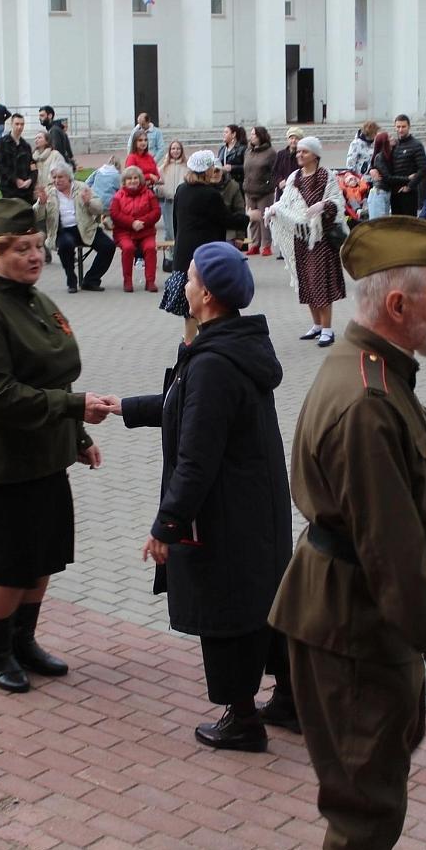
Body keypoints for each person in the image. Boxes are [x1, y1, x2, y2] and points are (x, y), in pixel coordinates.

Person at [270, 215, 426, 850]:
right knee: (365, 816)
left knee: (372, 792)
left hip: (358, 620)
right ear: (397, 304)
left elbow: (413, 484)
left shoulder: (378, 370)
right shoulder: (368, 398)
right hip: (355, 627)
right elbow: (396, 557)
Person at [122, 242, 294, 751]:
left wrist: (166, 526)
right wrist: (124, 408)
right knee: (266, 603)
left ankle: (242, 719)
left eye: (190, 277)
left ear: (209, 296)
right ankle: (291, 699)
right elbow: (184, 405)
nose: (184, 285)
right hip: (253, 508)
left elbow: (196, 458)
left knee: (226, 612)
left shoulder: (215, 361)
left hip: (226, 515)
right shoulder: (231, 345)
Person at [0, 197, 118, 692]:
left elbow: (57, 377)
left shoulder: (38, 301)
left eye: (37, 246)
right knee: (10, 561)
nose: (33, 256)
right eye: (21, 249)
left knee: (44, 554)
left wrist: (78, 435)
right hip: (4, 456)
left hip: (46, 451)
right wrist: (73, 410)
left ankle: (25, 641)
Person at [160, 151, 250, 343]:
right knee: (208, 305)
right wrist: (249, 217)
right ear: (206, 170)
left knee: (190, 311)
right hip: (204, 258)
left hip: (184, 255)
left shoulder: (182, 190)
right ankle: (202, 345)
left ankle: (188, 345)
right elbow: (226, 219)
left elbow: (176, 223)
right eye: (212, 168)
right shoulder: (210, 194)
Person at [268, 137, 346, 348]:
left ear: (315, 155)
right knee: (306, 282)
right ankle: (317, 325)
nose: (299, 155)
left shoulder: (325, 176)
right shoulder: (295, 177)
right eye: (299, 151)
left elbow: (338, 202)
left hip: (321, 239)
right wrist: (275, 210)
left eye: (305, 152)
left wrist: (322, 205)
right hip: (301, 238)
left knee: (320, 282)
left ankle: (328, 329)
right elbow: (285, 203)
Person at [35, 161, 115, 294]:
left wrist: (89, 202)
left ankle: (90, 280)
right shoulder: (49, 193)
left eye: (60, 177)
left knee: (109, 246)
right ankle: (71, 280)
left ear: (69, 177)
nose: (57, 180)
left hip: (86, 228)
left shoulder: (82, 187)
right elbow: (37, 216)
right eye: (54, 177)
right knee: (65, 245)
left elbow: (99, 208)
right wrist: (41, 203)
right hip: (62, 231)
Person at [109, 165, 161, 293]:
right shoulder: (118, 196)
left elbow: (156, 212)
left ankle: (150, 281)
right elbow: (114, 214)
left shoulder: (149, 194)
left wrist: (142, 222)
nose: (133, 181)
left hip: (146, 231)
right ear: (124, 181)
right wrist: (132, 223)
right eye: (129, 179)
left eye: (135, 178)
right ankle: (127, 281)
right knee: (128, 248)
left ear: (140, 179)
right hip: (124, 232)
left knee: (150, 248)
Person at [384, 116, 426, 217]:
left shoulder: (416, 145)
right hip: (394, 193)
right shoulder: (394, 145)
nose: (400, 130)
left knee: (409, 225)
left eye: (403, 127)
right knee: (396, 224)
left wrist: (409, 186)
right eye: (398, 127)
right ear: (395, 127)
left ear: (409, 127)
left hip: (409, 194)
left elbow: (424, 168)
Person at [242, 127, 277, 256]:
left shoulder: (270, 152)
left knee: (265, 218)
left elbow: (275, 171)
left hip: (264, 191)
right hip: (250, 189)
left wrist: (270, 184)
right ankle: (255, 244)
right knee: (252, 219)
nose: (251, 137)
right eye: (251, 135)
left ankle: (266, 245)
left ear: (261, 136)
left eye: (254, 135)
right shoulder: (248, 151)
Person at [0, 114, 36, 203]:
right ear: (11, 124)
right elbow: (0, 165)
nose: (19, 127)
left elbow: (32, 166)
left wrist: (30, 180)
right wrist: (15, 179)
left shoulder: (26, 146)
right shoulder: (1, 143)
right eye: (17, 124)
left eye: (22, 124)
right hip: (9, 189)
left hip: (26, 191)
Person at [157, 139, 186, 247]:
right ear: (169, 151)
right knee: (169, 231)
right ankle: (169, 257)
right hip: (168, 202)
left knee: (181, 228)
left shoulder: (187, 167)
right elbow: (158, 184)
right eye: (173, 148)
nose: (176, 151)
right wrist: (163, 191)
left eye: (178, 148)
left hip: (182, 202)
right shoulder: (163, 168)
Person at [365, 129, 394, 220]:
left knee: (384, 224)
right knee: (377, 225)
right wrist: (407, 178)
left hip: (386, 192)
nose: (393, 138)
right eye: (389, 137)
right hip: (379, 193)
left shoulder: (391, 154)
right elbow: (387, 177)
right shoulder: (380, 157)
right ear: (385, 142)